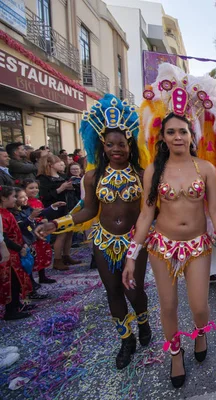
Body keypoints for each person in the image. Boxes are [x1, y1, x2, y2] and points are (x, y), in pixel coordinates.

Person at [123, 64, 216, 388]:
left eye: (183, 131)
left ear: (191, 134)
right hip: (161, 246)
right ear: (163, 137)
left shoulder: (206, 168)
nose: (178, 136)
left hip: (197, 245)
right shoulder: (153, 171)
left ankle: (200, 334)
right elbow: (145, 215)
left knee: (199, 305)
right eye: (171, 132)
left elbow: (215, 211)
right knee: (167, 305)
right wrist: (130, 256)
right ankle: (175, 353)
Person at [35, 94, 153, 369]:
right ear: (102, 145)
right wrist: (57, 224)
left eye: (121, 144)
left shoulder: (142, 173)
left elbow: (150, 211)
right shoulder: (92, 176)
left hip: (134, 242)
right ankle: (126, 339)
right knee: (112, 289)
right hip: (102, 240)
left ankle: (144, 322)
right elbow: (88, 211)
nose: (116, 149)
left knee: (133, 291)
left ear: (129, 144)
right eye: (110, 144)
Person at [36, 155, 78, 270]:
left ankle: (66, 255)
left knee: (69, 232)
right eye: (59, 163)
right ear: (50, 164)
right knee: (61, 233)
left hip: (67, 206)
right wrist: (61, 189)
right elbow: (44, 197)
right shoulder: (43, 179)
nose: (62, 164)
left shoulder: (62, 176)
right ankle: (57, 259)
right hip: (55, 209)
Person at [0, 186, 33, 320]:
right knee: (11, 282)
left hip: (15, 253)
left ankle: (17, 304)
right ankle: (11, 310)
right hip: (9, 254)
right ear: (3, 198)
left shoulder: (7, 212)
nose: (15, 199)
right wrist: (19, 248)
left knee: (17, 280)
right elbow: (4, 238)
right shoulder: (2, 215)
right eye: (13, 197)